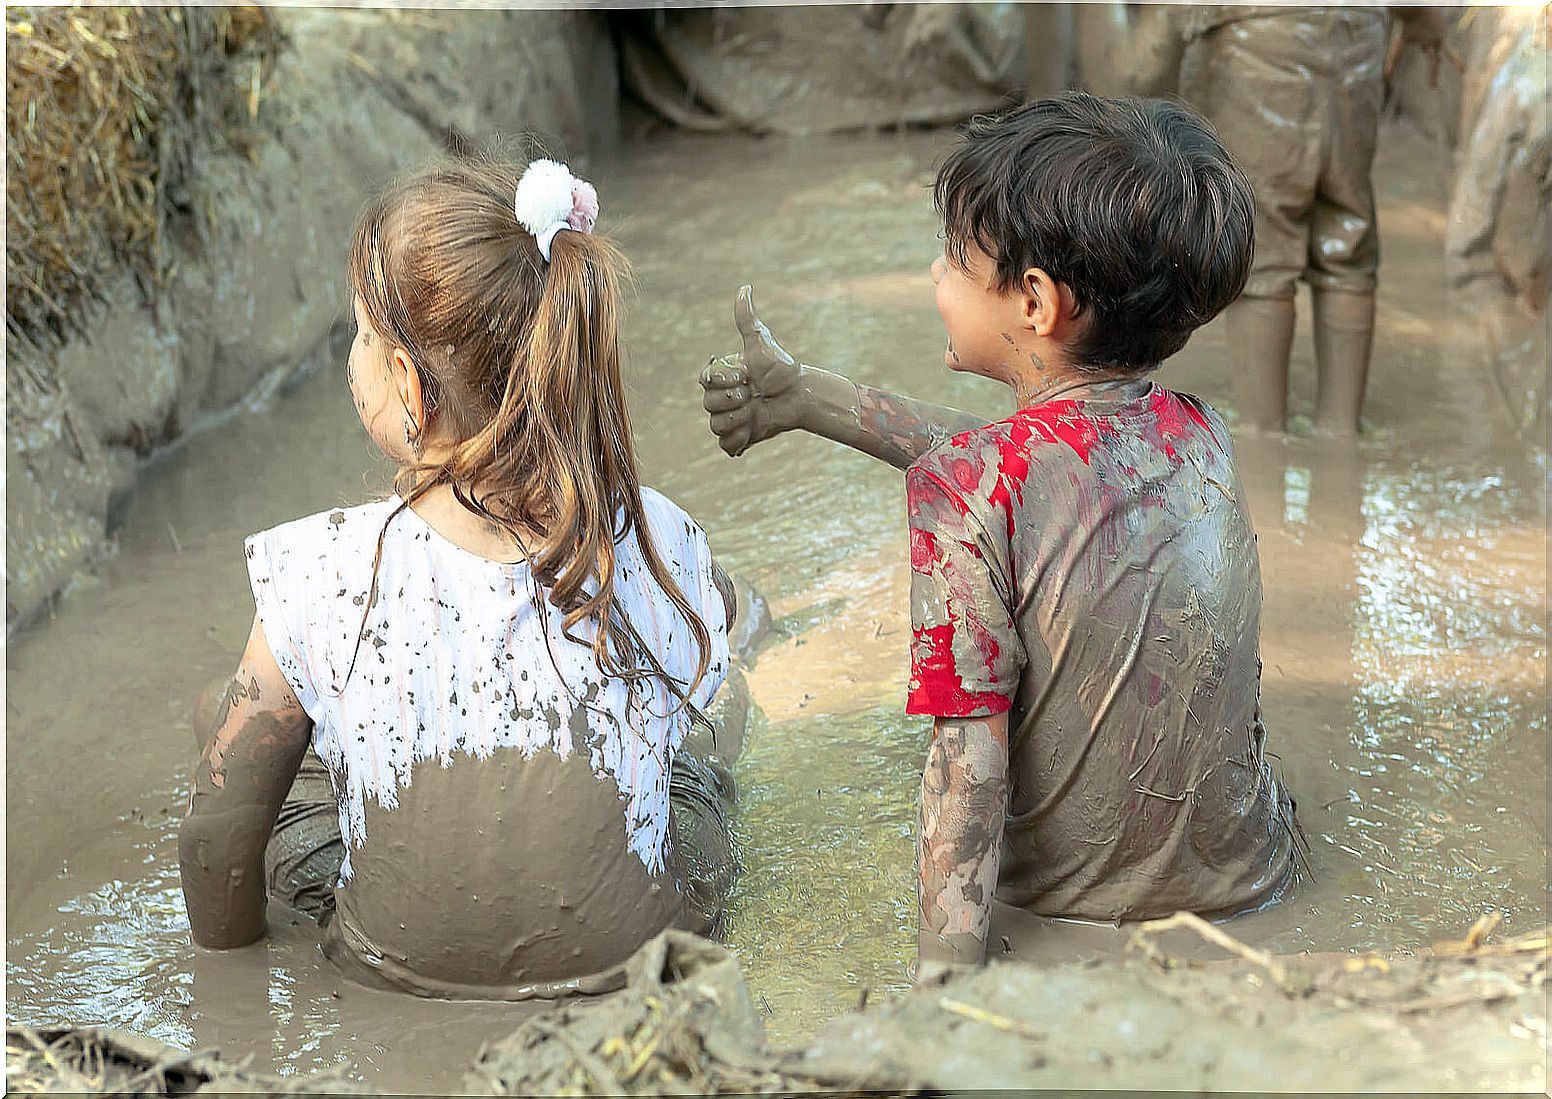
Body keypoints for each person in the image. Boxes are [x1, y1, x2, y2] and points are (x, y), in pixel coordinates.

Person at [701, 94, 1304, 969]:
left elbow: (967, 768)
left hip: (1074, 922)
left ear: (1035, 302)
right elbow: (1035, 467)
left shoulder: (968, 488)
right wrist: (811, 400)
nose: (935, 274)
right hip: (1252, 884)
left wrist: (944, 986)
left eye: (954, 256)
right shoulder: (1199, 434)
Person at [180, 156, 744, 1000]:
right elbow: (705, 642)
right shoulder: (659, 534)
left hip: (390, 971)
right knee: (696, 765)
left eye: (363, 338)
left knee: (234, 727)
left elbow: (215, 844)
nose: (354, 359)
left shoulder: (320, 567)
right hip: (634, 960)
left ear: (407, 383)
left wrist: (228, 993)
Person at [1183, 5, 1451, 436]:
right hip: (1356, 32)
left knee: (1263, 242)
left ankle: (1262, 433)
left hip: (1254, 32)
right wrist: (1424, 16)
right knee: (1346, 232)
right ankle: (1341, 432)